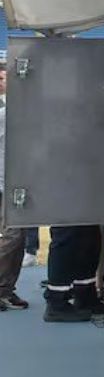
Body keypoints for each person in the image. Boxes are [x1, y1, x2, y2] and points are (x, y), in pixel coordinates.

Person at [0, 58, 32, 311]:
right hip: (5, 183)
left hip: (21, 182)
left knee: (19, 238)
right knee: (12, 236)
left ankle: (6, 289)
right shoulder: (5, 114)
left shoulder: (21, 110)